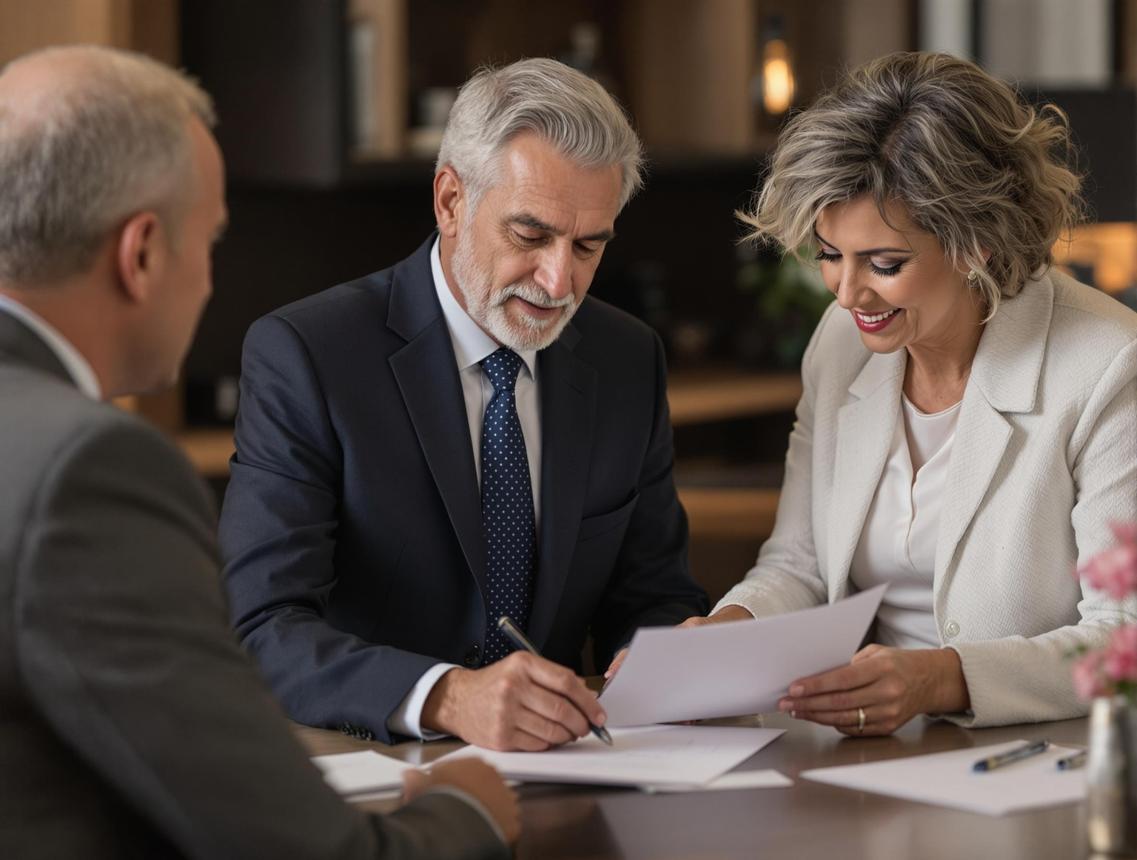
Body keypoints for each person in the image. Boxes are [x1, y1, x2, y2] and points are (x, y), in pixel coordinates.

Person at [0, 45, 516, 859]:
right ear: (142, 254)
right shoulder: (86, 469)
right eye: (211, 242)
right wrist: (466, 812)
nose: (211, 282)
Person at [218, 57, 708, 751]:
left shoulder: (626, 358)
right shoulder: (307, 355)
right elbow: (262, 627)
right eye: (530, 236)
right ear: (450, 201)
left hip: (565, 765)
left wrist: (661, 658)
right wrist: (447, 697)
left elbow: (654, 592)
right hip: (372, 761)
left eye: (587, 247)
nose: (558, 281)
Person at [692, 52, 1137, 734]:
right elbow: (799, 565)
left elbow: (1122, 638)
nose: (847, 294)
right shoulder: (839, 344)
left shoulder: (1108, 364)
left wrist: (939, 679)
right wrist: (726, 631)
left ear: (976, 242)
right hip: (866, 749)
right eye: (829, 255)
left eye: (884, 264)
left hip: (1038, 752)